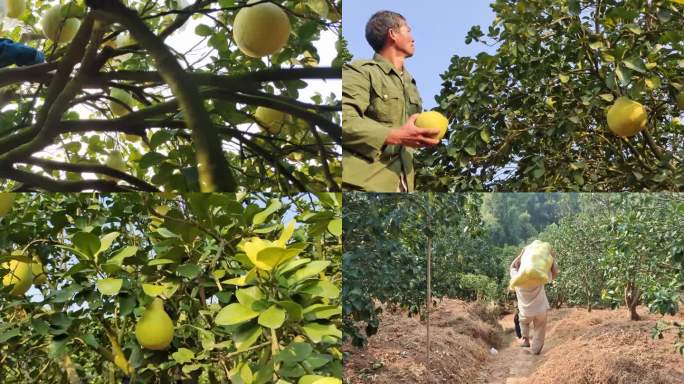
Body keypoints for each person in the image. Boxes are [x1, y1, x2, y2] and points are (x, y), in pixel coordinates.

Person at [342, 10, 440, 192]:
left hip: (404, 186)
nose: (413, 38)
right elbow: (345, 121)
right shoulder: (361, 71)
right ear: (393, 34)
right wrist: (396, 136)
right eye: (408, 30)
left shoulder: (411, 84)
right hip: (365, 185)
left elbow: (409, 134)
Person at [510, 244, 559, 355]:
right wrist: (551, 258)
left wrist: (521, 255)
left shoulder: (516, 279)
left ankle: (525, 340)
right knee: (540, 329)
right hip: (540, 310)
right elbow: (555, 272)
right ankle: (535, 350)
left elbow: (512, 267)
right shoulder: (539, 277)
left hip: (525, 312)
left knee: (523, 322)